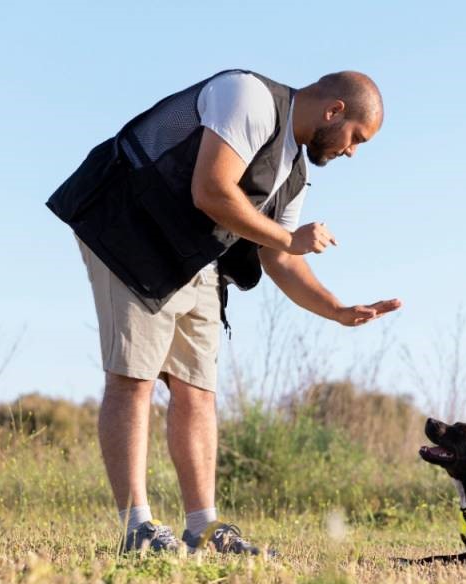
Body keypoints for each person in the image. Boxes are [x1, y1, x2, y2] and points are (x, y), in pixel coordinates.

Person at [46, 69, 401, 554]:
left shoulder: (295, 174)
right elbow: (211, 190)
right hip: (129, 228)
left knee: (197, 389)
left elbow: (279, 256)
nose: (352, 151)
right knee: (135, 377)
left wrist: (336, 310)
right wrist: (285, 237)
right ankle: (138, 528)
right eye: (356, 137)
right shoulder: (249, 98)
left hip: (194, 253)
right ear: (334, 110)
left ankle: (204, 530)